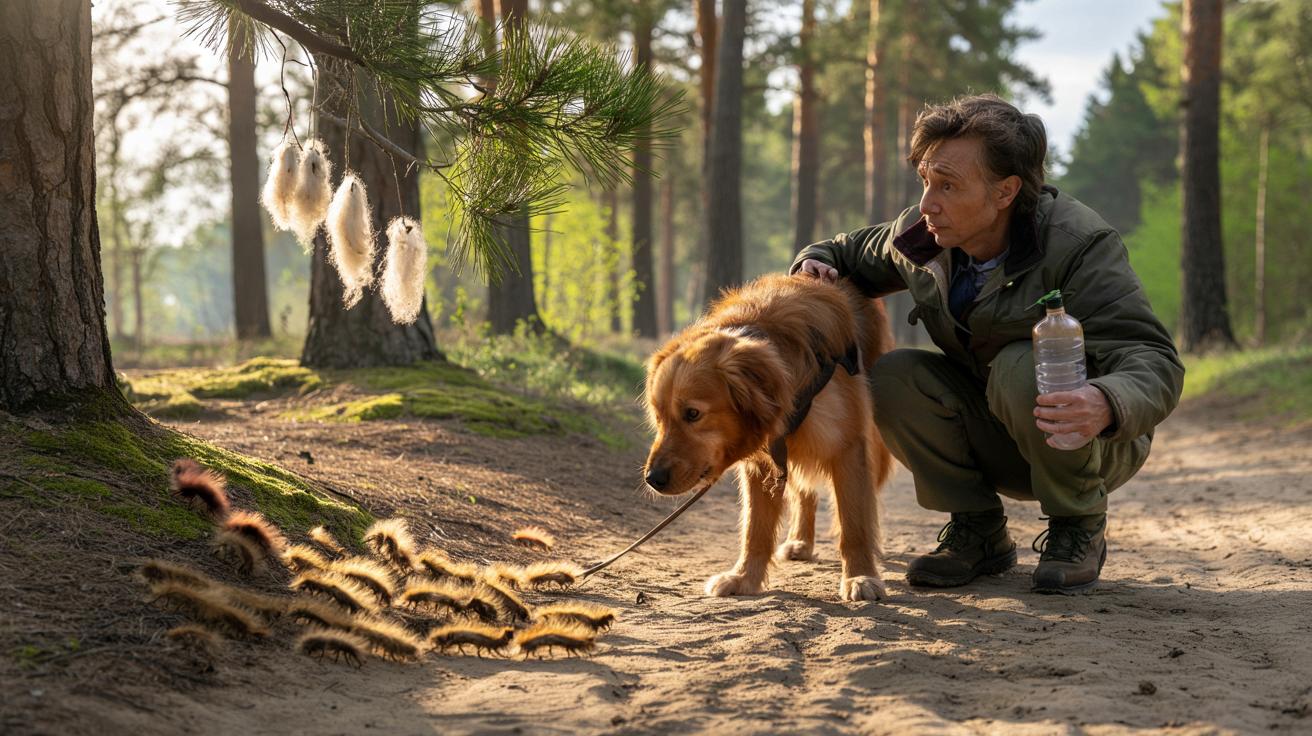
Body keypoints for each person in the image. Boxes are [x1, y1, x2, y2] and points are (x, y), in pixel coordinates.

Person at [792, 94, 1183, 594]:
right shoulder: (923, 234)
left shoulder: (1078, 243)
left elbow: (1155, 359)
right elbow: (842, 251)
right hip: (996, 429)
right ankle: (978, 531)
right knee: (892, 377)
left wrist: (1106, 401)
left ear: (1005, 192)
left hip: (1088, 436)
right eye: (926, 181)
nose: (929, 202)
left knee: (1022, 365)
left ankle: (1078, 525)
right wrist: (813, 264)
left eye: (948, 186)